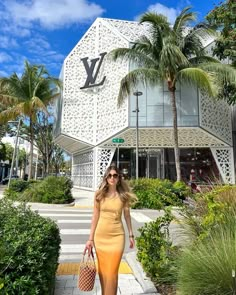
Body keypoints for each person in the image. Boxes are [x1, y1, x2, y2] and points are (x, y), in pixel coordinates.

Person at [85, 165, 136, 295]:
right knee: (103, 272)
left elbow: (127, 216)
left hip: (117, 237)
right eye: (110, 175)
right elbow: (95, 217)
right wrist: (90, 239)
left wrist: (131, 235)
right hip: (100, 237)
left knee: (112, 272)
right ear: (106, 178)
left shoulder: (123, 196)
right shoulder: (99, 194)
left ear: (119, 178)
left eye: (115, 175)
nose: (112, 178)